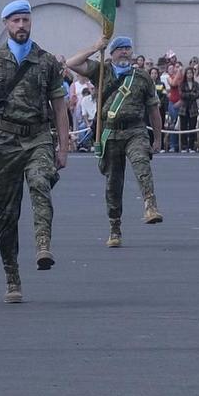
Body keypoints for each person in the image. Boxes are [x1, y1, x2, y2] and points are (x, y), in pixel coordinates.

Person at [0, 0, 73, 304]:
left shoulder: (47, 61)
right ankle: (11, 275)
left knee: (40, 183)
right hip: (4, 142)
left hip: (38, 137)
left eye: (26, 20)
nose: (22, 26)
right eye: (16, 21)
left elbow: (59, 107)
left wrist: (62, 148)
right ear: (6, 24)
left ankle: (43, 245)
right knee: (6, 211)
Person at [65, 35, 162, 248]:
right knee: (113, 183)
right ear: (112, 53)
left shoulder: (142, 77)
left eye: (128, 48)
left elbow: (154, 109)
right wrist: (95, 46)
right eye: (120, 49)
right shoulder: (102, 72)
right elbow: (71, 63)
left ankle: (150, 205)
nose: (125, 52)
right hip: (110, 134)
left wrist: (157, 137)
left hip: (135, 130)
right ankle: (114, 228)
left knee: (141, 164)